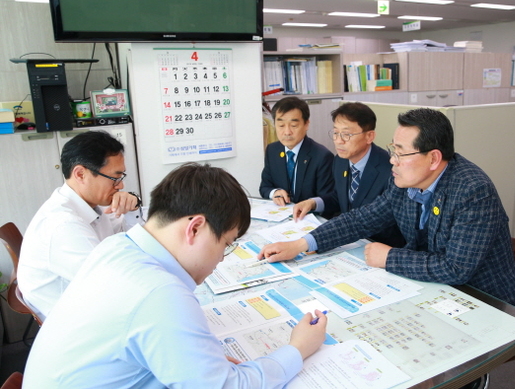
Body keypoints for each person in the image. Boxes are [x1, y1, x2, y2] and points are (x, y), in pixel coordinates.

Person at [23, 163, 327, 389]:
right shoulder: (159, 292)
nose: (221, 258)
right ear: (194, 228)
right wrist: (298, 349)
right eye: (225, 244)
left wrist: (200, 367)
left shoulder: (116, 248)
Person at [260, 108, 515, 313]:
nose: (392, 160)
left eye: (400, 152)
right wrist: (301, 243)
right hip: (435, 288)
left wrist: (389, 257)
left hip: (486, 300)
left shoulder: (473, 191)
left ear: (433, 158)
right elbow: (362, 219)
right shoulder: (404, 181)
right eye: (393, 149)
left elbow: (456, 268)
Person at [18, 130, 142, 321]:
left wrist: (133, 204)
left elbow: (127, 236)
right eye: (115, 178)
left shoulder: (85, 206)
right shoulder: (63, 226)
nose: (120, 186)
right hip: (77, 321)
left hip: (90, 306)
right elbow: (111, 285)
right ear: (81, 174)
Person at [293, 102, 405, 247]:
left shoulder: (390, 169)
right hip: (350, 240)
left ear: (369, 136)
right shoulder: (340, 160)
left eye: (346, 134)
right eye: (335, 133)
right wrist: (314, 203)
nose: (339, 141)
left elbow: (387, 221)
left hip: (378, 246)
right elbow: (339, 197)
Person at [259, 96, 334, 210]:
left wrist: (312, 204)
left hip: (308, 218)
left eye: (294, 125)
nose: (287, 132)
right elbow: (265, 187)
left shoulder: (322, 156)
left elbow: (329, 199)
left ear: (306, 124)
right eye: (281, 125)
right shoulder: (272, 150)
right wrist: (275, 192)